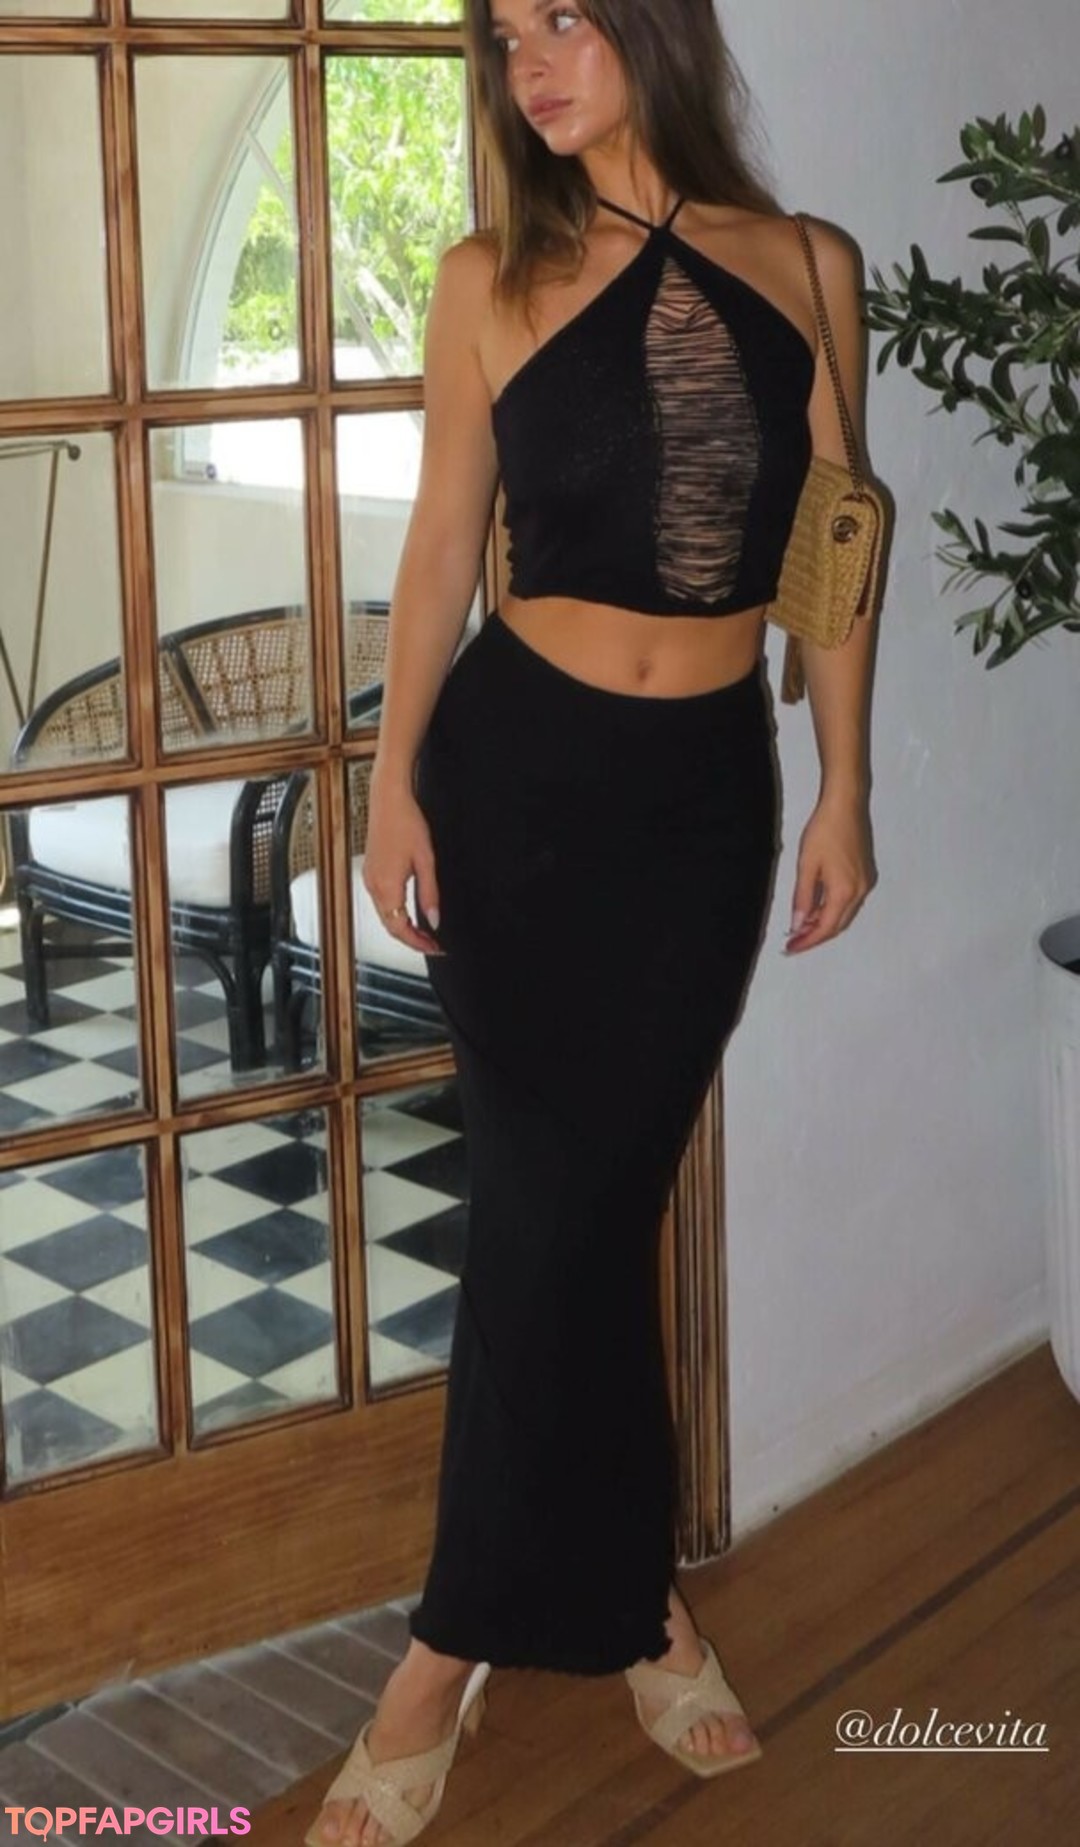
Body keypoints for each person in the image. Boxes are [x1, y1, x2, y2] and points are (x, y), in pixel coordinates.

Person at [306, 2, 877, 1842]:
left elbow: (835, 554)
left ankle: (606, 1608)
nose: (530, 63)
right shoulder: (487, 278)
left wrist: (847, 789)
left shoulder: (809, 267)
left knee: (588, 1218)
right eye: (504, 34)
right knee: (546, 1222)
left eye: (565, 18)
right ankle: (472, 1647)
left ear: (654, 25)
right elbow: (436, 549)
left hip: (699, 812)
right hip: (516, 789)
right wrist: (390, 784)